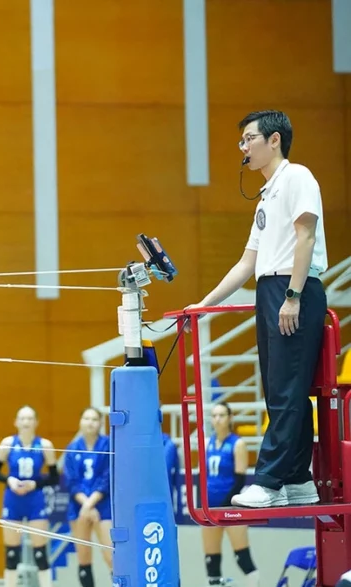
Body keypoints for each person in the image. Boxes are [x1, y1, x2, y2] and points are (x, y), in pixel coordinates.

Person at [186, 110, 328, 508]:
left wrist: (294, 296)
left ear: (274, 140)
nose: (244, 148)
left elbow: (306, 234)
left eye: (249, 139)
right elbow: (247, 263)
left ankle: (267, 482)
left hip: (292, 289)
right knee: (282, 391)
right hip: (270, 289)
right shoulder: (266, 196)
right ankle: (299, 479)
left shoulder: (298, 177)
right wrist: (205, 304)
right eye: (242, 141)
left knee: (285, 391)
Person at [0, 406, 58, 587]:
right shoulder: (7, 443)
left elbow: (54, 477)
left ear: (36, 422)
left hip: (35, 499)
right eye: (22, 418)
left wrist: (34, 484)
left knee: (40, 552)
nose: (26, 422)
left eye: (29, 418)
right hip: (13, 499)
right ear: (16, 422)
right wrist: (10, 480)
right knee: (12, 553)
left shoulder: (45, 445)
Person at [202, 403, 258, 586]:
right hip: (209, 508)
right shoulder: (207, 443)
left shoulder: (237, 443)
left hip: (231, 507)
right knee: (211, 559)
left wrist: (224, 506)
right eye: (214, 415)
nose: (217, 419)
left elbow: (240, 480)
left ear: (230, 418)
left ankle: (255, 583)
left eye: (221, 415)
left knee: (242, 557)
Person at [62, 408, 113, 587]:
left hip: (103, 505)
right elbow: (70, 480)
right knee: (83, 559)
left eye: (94, 419)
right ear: (80, 422)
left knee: (112, 557)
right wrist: (85, 504)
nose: (90, 422)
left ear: (100, 423)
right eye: (86, 418)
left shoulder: (108, 445)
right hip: (79, 507)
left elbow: (107, 477)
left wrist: (91, 504)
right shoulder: (72, 448)